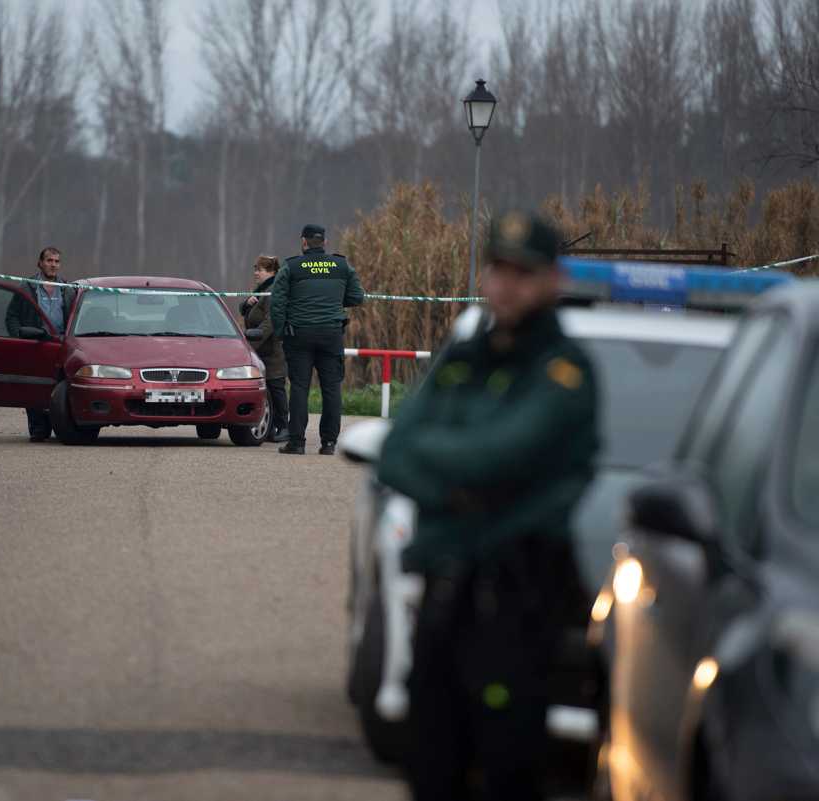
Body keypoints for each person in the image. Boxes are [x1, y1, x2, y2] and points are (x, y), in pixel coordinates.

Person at [375, 211, 600, 801]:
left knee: (506, 768)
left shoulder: (565, 372)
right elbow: (397, 452)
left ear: (552, 280)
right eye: (498, 269)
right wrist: (469, 481)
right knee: (431, 764)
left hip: (518, 599)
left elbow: (501, 455)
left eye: (523, 273)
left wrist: (446, 469)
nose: (506, 284)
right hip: (448, 592)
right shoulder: (464, 358)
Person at [271, 223, 365, 455]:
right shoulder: (341, 265)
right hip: (331, 334)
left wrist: (281, 331)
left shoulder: (291, 266)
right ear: (325, 242)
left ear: (303, 242)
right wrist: (332, 302)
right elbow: (357, 297)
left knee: (300, 387)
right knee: (332, 388)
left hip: (299, 334)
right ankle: (329, 443)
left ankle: (297, 442)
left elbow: (277, 302)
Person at [5, 247, 75, 442]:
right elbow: (11, 317)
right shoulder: (27, 287)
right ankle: (38, 429)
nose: (53, 264)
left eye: (56, 261)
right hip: (35, 344)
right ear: (40, 263)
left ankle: (60, 426)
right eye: (49, 260)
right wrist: (19, 339)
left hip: (61, 345)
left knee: (60, 388)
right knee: (35, 386)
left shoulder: (67, 289)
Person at [240, 255, 289, 443]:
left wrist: (249, 348)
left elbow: (270, 323)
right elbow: (243, 309)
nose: (256, 273)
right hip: (260, 349)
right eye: (255, 269)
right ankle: (270, 428)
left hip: (272, 350)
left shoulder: (273, 291)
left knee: (276, 389)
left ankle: (284, 426)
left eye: (260, 269)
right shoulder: (261, 291)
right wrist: (246, 304)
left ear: (272, 272)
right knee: (266, 390)